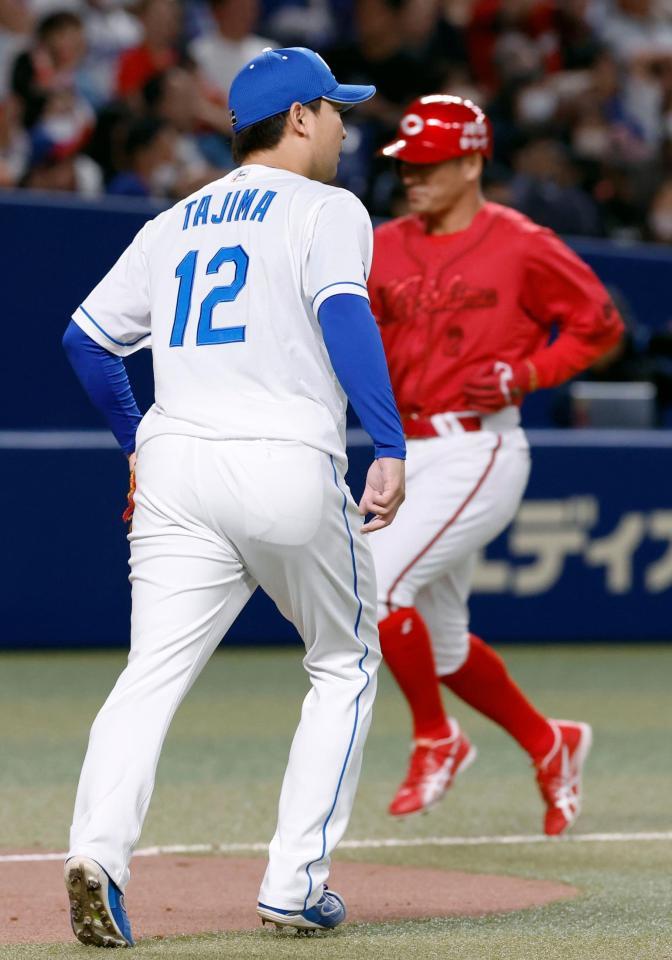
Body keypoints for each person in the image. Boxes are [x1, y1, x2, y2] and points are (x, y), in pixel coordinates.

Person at [61, 46, 406, 946]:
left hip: (178, 468)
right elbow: (344, 315)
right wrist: (390, 440)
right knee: (345, 662)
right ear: (299, 118)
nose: (343, 124)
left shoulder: (174, 222)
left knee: (149, 678)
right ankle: (294, 885)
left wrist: (140, 441)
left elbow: (87, 342)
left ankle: (96, 855)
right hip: (284, 457)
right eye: (335, 110)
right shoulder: (328, 207)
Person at [367, 95, 624, 835]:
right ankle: (552, 744)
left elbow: (598, 326)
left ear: (473, 161)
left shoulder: (521, 241)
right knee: (441, 644)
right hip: (405, 448)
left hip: (477, 443)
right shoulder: (382, 244)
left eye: (429, 163)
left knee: (379, 586)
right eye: (405, 163)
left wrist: (532, 373)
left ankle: (436, 738)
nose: (412, 175)